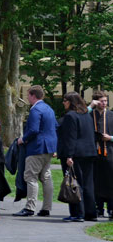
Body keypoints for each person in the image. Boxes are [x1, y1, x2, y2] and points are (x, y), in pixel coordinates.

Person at [14, 85, 57, 217]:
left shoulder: (35, 110)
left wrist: (23, 139)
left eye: (28, 95)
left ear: (33, 95)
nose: (27, 98)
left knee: (30, 177)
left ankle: (30, 207)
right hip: (49, 147)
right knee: (46, 177)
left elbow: (33, 130)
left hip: (37, 147)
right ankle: (46, 208)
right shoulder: (49, 109)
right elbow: (55, 127)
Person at [58, 92, 97, 222]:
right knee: (88, 184)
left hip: (76, 154)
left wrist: (69, 155)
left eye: (65, 100)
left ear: (71, 102)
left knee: (75, 184)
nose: (63, 102)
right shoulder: (86, 115)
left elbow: (71, 138)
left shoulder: (70, 116)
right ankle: (90, 213)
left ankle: (78, 213)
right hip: (89, 152)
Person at [91, 91, 113, 219]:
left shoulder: (111, 115)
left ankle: (111, 208)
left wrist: (110, 138)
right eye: (101, 101)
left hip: (110, 152)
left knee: (110, 181)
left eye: (105, 101)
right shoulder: (89, 115)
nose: (104, 103)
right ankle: (98, 207)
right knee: (96, 181)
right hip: (94, 153)